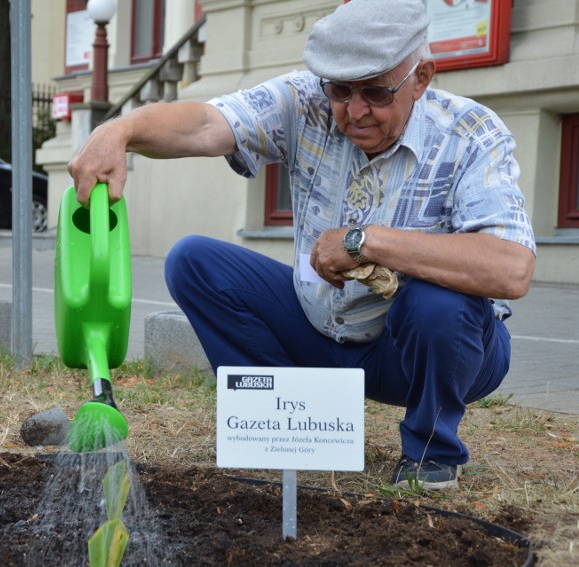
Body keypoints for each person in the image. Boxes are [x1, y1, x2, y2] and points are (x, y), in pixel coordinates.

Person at [67, 0, 536, 490]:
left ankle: (430, 452)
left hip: (421, 353)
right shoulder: (304, 100)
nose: (354, 112)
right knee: (195, 261)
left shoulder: (470, 133)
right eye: (340, 90)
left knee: (439, 301)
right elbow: (204, 124)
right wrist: (117, 131)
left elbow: (511, 269)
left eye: (375, 92)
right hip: (321, 330)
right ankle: (289, 420)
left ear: (421, 78)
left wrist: (364, 242)